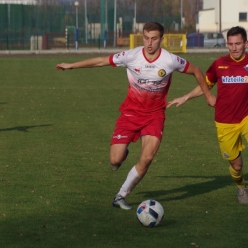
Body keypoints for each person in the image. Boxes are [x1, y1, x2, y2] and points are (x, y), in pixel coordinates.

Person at [56, 22, 215, 210]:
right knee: (114, 161)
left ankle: (121, 196)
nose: (149, 43)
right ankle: (122, 155)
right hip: (130, 114)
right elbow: (100, 61)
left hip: (155, 115)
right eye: (146, 38)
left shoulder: (170, 60)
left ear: (161, 39)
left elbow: (196, 70)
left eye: (154, 38)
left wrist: (208, 95)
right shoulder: (131, 56)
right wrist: (72, 65)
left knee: (147, 158)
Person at [167, 26, 248, 204]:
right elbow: (206, 85)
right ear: (227, 44)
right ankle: (241, 187)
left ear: (246, 43)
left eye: (238, 44)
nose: (234, 48)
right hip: (225, 121)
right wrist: (186, 97)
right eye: (231, 44)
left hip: (246, 117)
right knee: (236, 165)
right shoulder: (219, 64)